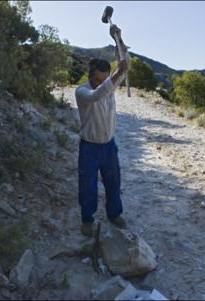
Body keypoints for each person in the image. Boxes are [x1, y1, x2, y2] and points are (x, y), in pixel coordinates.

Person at [75, 24, 130, 237]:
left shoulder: (109, 84)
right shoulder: (82, 92)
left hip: (109, 146)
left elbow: (125, 67)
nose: (101, 83)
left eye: (104, 79)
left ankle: (114, 214)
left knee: (113, 182)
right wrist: (116, 74)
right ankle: (87, 219)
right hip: (89, 147)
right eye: (98, 79)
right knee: (87, 185)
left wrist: (119, 40)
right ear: (90, 76)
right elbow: (98, 94)